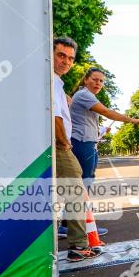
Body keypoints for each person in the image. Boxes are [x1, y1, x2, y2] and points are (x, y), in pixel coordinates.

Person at [52, 36, 99, 262]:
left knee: (67, 194)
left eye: (70, 58)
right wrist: (64, 142)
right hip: (60, 146)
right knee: (76, 193)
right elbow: (55, 117)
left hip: (59, 144)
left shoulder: (56, 83)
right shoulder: (51, 81)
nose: (66, 61)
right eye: (61, 55)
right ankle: (79, 246)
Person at [69, 67, 139, 187]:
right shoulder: (84, 94)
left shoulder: (88, 95)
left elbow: (87, 122)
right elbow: (106, 112)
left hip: (88, 143)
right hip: (82, 142)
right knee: (85, 180)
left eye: (101, 81)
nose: (98, 83)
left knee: (88, 179)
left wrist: (101, 131)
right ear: (85, 80)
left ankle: (83, 205)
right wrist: (133, 120)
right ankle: (79, 205)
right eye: (95, 79)